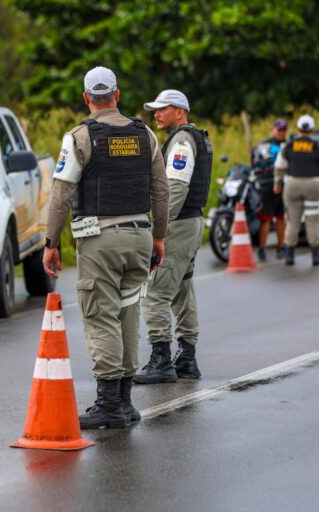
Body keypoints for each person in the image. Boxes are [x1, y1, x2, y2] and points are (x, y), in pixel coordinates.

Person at [42, 67, 169, 429]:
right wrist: (158, 237)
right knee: (129, 313)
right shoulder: (145, 134)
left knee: (101, 315)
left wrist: (51, 243)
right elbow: (161, 190)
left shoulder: (80, 136)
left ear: (87, 99)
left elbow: (62, 193)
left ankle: (109, 404)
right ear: (117, 94)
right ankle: (126, 402)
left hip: (100, 239)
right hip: (140, 234)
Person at [133, 89, 212, 384]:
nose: (157, 114)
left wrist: (159, 230)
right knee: (182, 289)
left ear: (180, 111)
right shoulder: (195, 137)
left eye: (163, 109)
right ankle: (187, 358)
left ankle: (162, 359)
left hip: (177, 224)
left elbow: (176, 188)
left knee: (154, 292)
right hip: (191, 222)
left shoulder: (181, 141)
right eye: (155, 109)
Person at [273, 114, 319, 266]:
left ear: (298, 129)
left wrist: (277, 183)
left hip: (293, 185)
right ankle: (316, 255)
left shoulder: (288, 145)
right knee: (312, 220)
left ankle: (290, 255)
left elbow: (279, 166)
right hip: (314, 185)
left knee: (293, 220)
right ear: (312, 129)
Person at [252, 118, 288, 261]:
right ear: (273, 130)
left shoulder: (288, 144)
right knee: (266, 218)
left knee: (281, 217)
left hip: (283, 184)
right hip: (266, 185)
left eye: (284, 129)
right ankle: (261, 249)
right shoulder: (263, 145)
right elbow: (254, 163)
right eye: (279, 129)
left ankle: (281, 247)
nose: (281, 132)